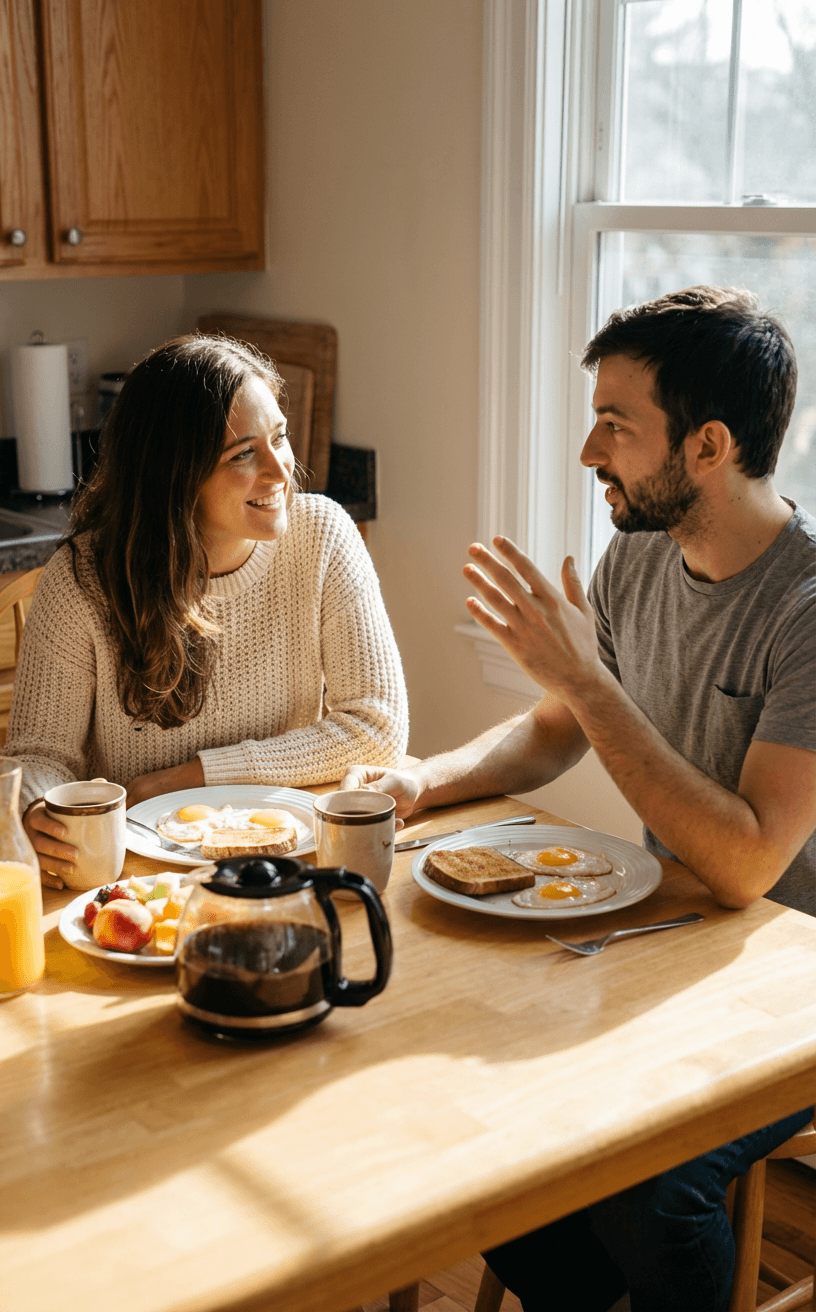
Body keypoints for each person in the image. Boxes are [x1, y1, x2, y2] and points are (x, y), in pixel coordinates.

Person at [342, 287, 815, 1312]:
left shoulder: (808, 610)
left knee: (650, 1189)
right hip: (678, 939)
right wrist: (429, 778)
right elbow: (558, 726)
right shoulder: (641, 552)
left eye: (617, 423)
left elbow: (747, 865)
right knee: (492, 1119)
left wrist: (587, 677)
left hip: (793, 975)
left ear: (709, 446)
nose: (590, 449)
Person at [7, 334, 408, 889]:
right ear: (174, 476)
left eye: (280, 437)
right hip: (136, 876)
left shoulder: (324, 535)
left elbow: (377, 725)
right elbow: (36, 757)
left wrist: (193, 778)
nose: (280, 469)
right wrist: (37, 814)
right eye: (243, 453)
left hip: (281, 862)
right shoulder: (82, 579)